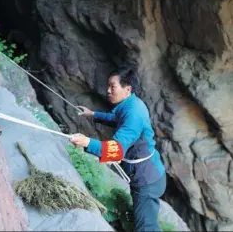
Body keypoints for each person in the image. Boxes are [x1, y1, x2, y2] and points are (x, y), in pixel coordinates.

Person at [70, 65, 167, 231]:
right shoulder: (130, 104)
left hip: (147, 180)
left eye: (112, 86)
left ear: (127, 89)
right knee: (144, 220)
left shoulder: (134, 113)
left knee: (146, 227)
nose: (108, 90)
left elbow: (116, 150)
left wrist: (87, 143)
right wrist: (93, 115)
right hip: (147, 174)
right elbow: (117, 117)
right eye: (108, 85)